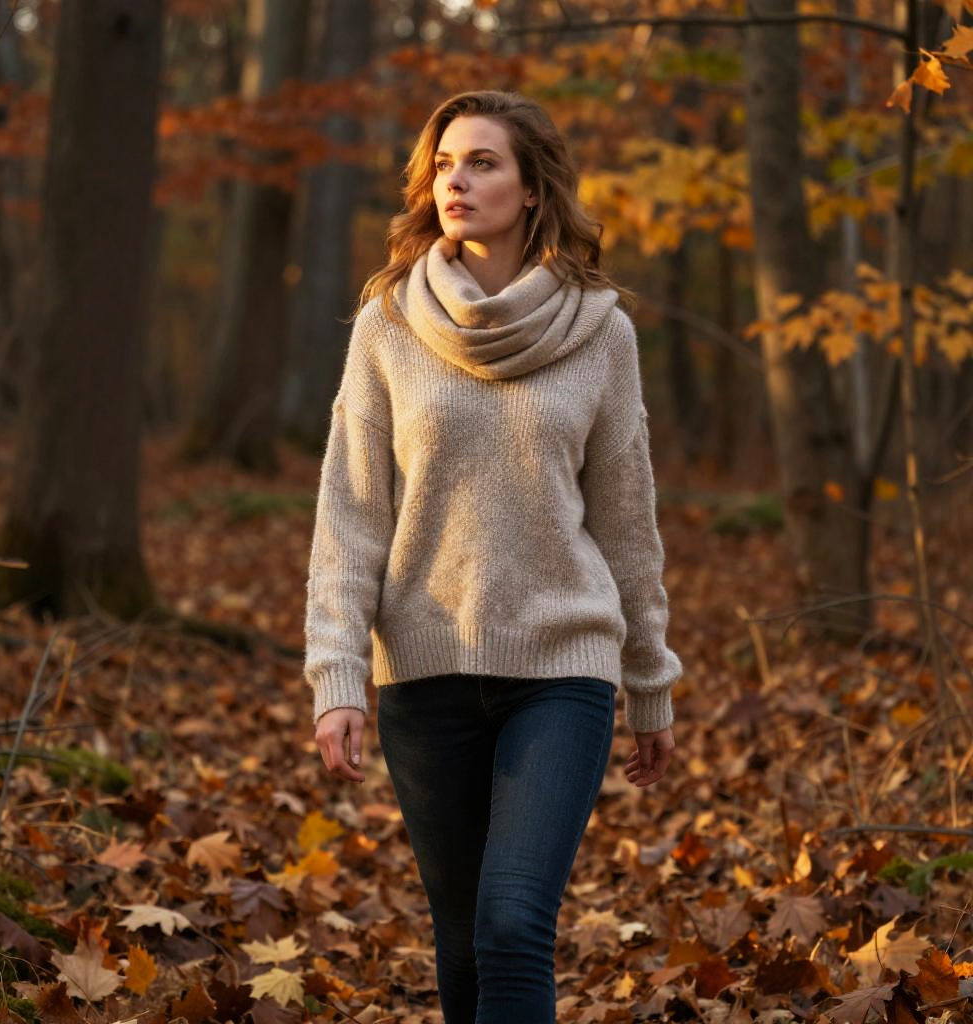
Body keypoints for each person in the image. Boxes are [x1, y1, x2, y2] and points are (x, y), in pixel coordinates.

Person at [304, 90, 682, 1023]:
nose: (457, 182)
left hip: (562, 666)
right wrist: (336, 671)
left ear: (532, 186)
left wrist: (650, 680)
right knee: (465, 939)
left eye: (482, 162)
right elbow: (351, 512)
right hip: (424, 671)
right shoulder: (389, 324)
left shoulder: (601, 330)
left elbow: (627, 522)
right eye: (444, 165)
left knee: (514, 924)